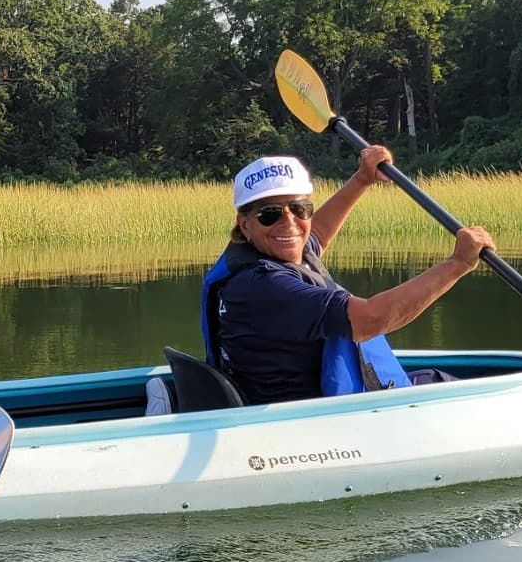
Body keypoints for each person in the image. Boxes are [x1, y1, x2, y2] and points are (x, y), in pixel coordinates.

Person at [201, 150, 496, 403]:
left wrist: (362, 179)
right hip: (309, 420)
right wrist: (457, 263)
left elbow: (313, 235)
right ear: (245, 224)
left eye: (299, 208)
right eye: (270, 213)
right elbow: (370, 320)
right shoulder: (267, 286)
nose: (289, 222)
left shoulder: (258, 252)